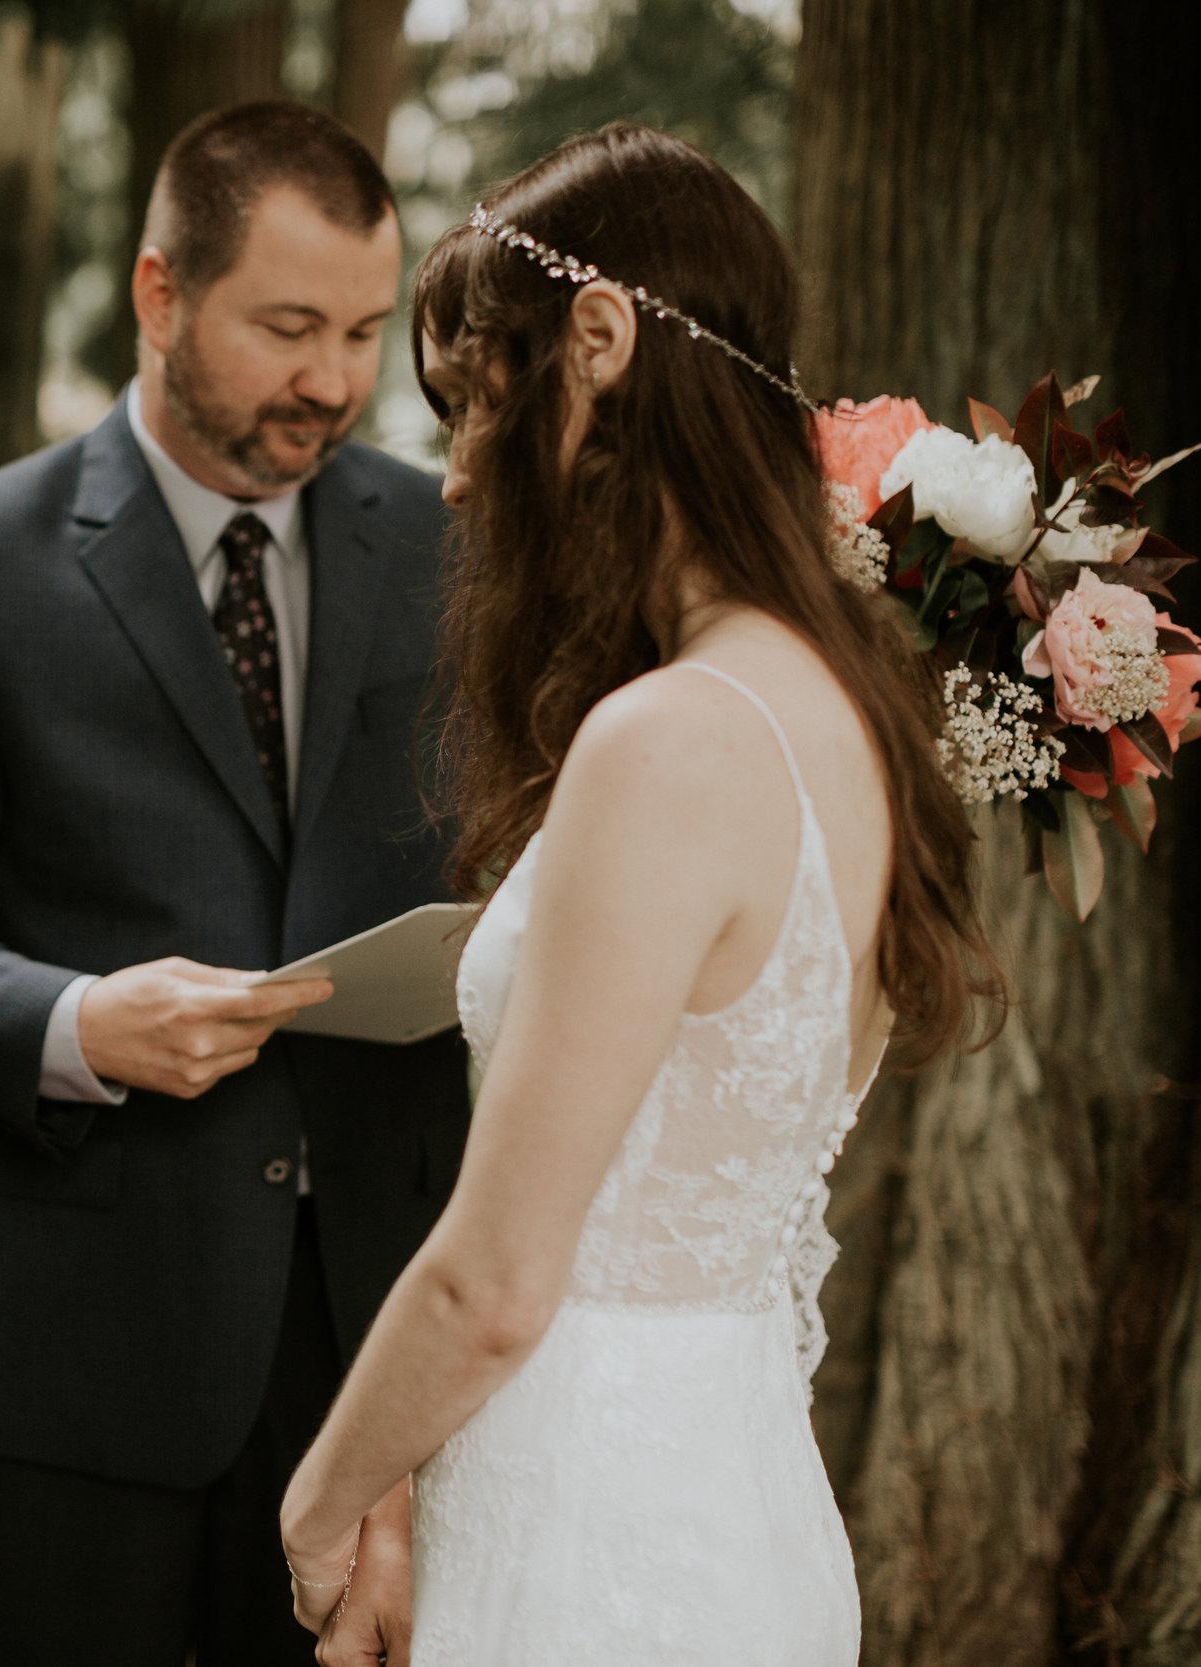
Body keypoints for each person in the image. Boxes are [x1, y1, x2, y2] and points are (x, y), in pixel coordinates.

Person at [278, 123, 998, 1665]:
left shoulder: (667, 743)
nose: (461, 479)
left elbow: (493, 1279)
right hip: (736, 1509)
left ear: (598, 341)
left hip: (588, 1543)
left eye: (475, 406)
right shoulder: (848, 708)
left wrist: (327, 1500)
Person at [0, 101, 467, 1665]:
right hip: (72, 1367)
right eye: (290, 326)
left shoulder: (454, 546)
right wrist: (76, 1022)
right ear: (160, 294)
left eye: (366, 331)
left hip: (375, 1349)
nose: (333, 379)